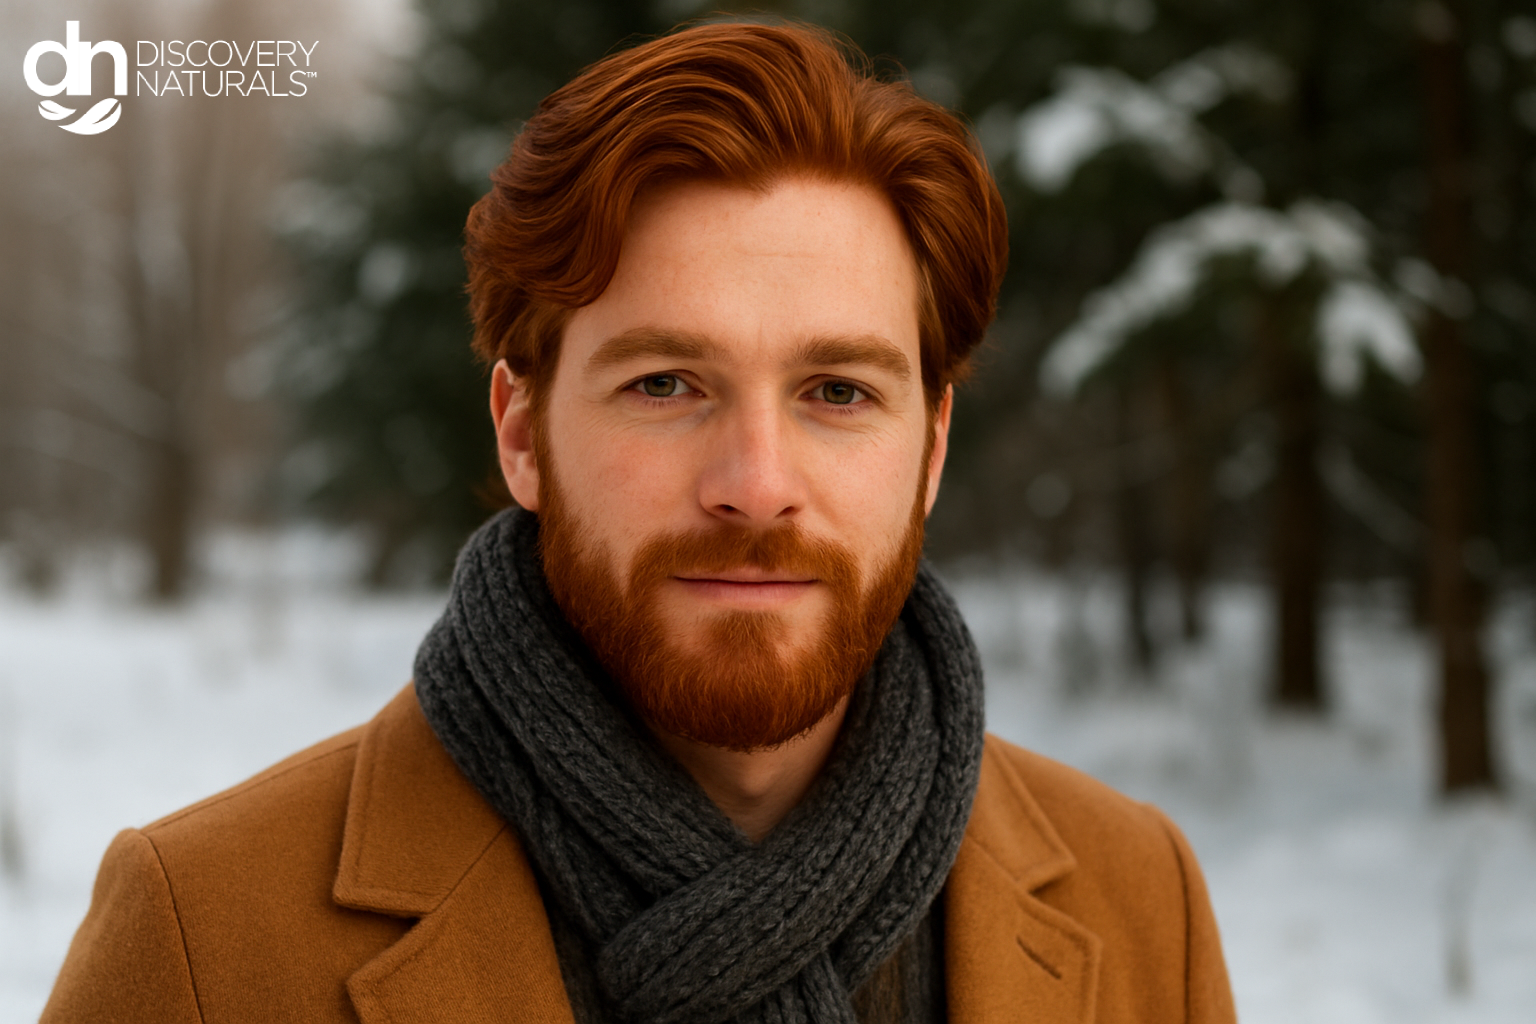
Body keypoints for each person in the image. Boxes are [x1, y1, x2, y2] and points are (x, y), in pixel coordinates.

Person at [42, 20, 1235, 1024]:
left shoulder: (1142, 907)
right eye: (666, 384)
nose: (756, 483)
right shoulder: (206, 939)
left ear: (929, 448)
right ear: (521, 430)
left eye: (838, 392)